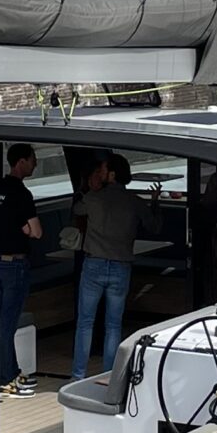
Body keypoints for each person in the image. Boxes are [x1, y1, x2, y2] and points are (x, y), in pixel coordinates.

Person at [71, 153, 156, 381]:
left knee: (85, 322)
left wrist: (90, 188)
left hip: (94, 264)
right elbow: (154, 225)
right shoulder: (134, 202)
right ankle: (110, 376)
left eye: (104, 169)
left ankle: (78, 376)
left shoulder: (94, 198)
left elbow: (77, 210)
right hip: (121, 266)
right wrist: (154, 202)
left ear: (111, 174)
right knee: (113, 325)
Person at [0, 144, 42, 396]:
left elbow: (10, 222)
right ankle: (5, 380)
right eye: (33, 159)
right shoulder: (21, 193)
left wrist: (24, 227)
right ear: (21, 162)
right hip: (16, 266)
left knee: (6, 322)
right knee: (8, 325)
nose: (35, 164)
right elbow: (37, 232)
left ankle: (14, 371)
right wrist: (26, 229)